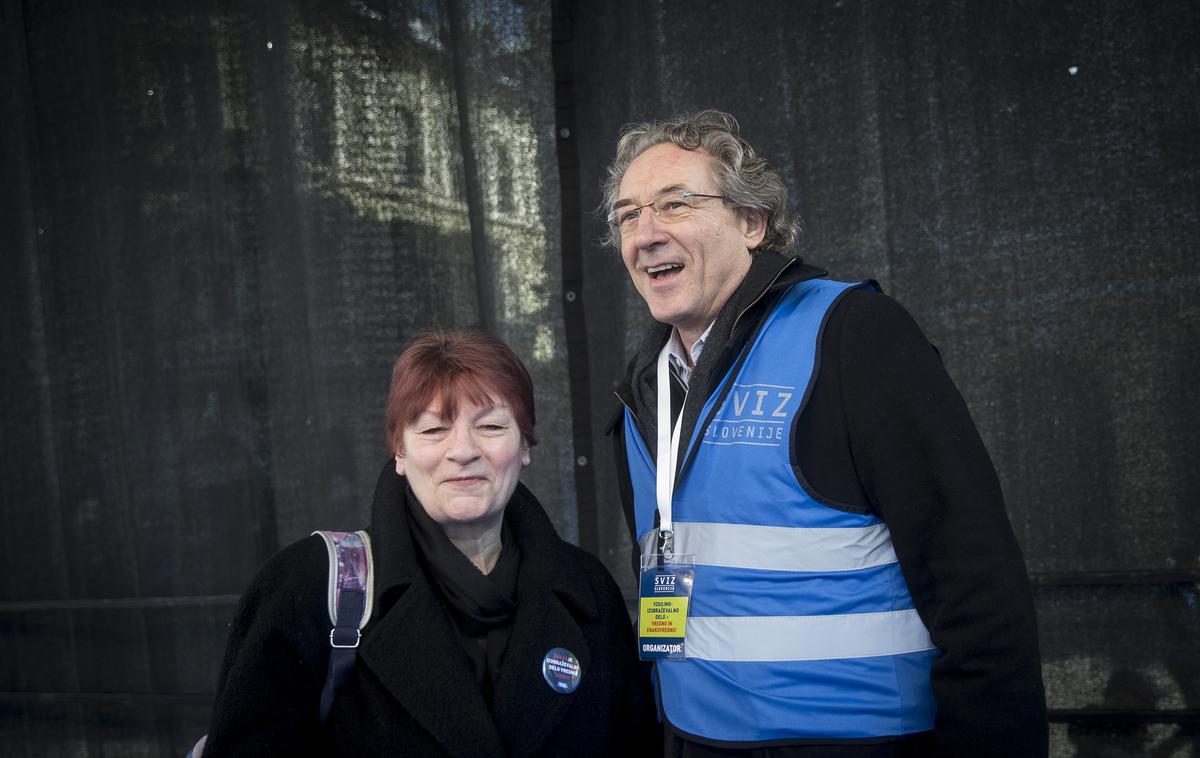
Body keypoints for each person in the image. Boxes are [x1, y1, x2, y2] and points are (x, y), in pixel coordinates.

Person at [604, 110, 1048, 757]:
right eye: (626, 215)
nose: (644, 234)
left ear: (752, 223)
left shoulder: (850, 336)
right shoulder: (642, 387)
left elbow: (976, 582)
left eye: (675, 204)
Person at [203, 330, 657, 756]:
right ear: (399, 451)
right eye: (433, 429)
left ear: (525, 445)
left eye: (492, 427)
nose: (462, 450)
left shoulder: (589, 593)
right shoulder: (308, 590)